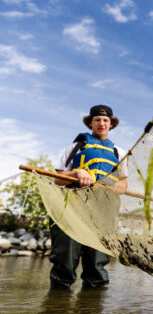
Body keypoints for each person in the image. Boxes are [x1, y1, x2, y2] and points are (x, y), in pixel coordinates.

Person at [49, 104, 128, 290]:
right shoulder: (74, 147)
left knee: (97, 268)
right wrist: (76, 173)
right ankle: (57, 304)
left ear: (111, 124)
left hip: (101, 213)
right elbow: (57, 180)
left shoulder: (119, 152)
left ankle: (91, 305)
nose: (101, 123)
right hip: (72, 210)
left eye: (105, 120)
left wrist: (120, 185)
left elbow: (124, 183)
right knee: (65, 265)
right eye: (97, 120)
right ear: (90, 123)